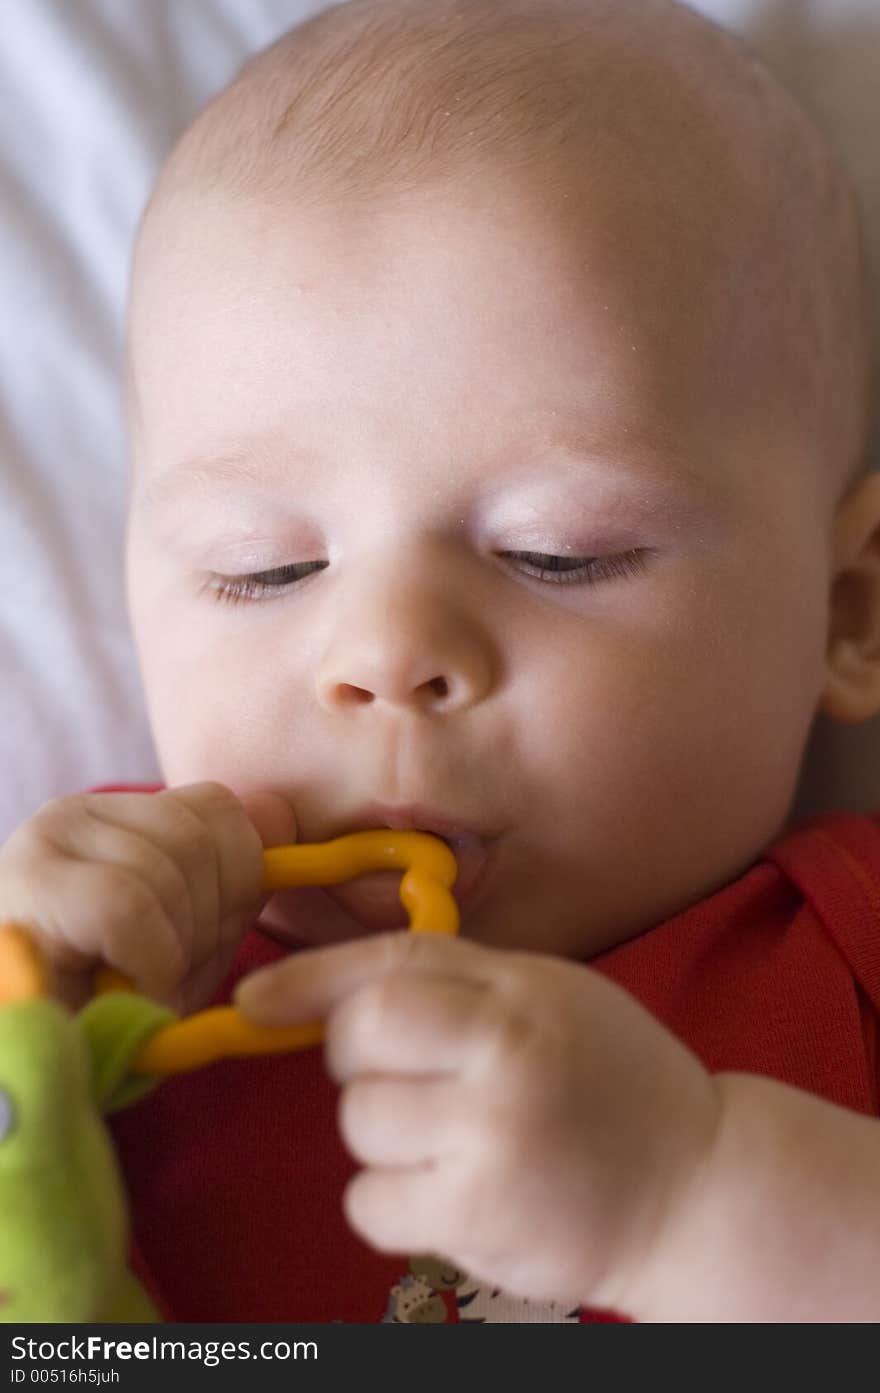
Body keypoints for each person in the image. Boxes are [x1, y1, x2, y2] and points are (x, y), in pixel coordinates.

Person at [2, 0, 880, 1321]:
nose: (389, 655)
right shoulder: (102, 958)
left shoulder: (851, 939)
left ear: (850, 607)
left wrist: (693, 1196)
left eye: (558, 551)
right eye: (266, 567)